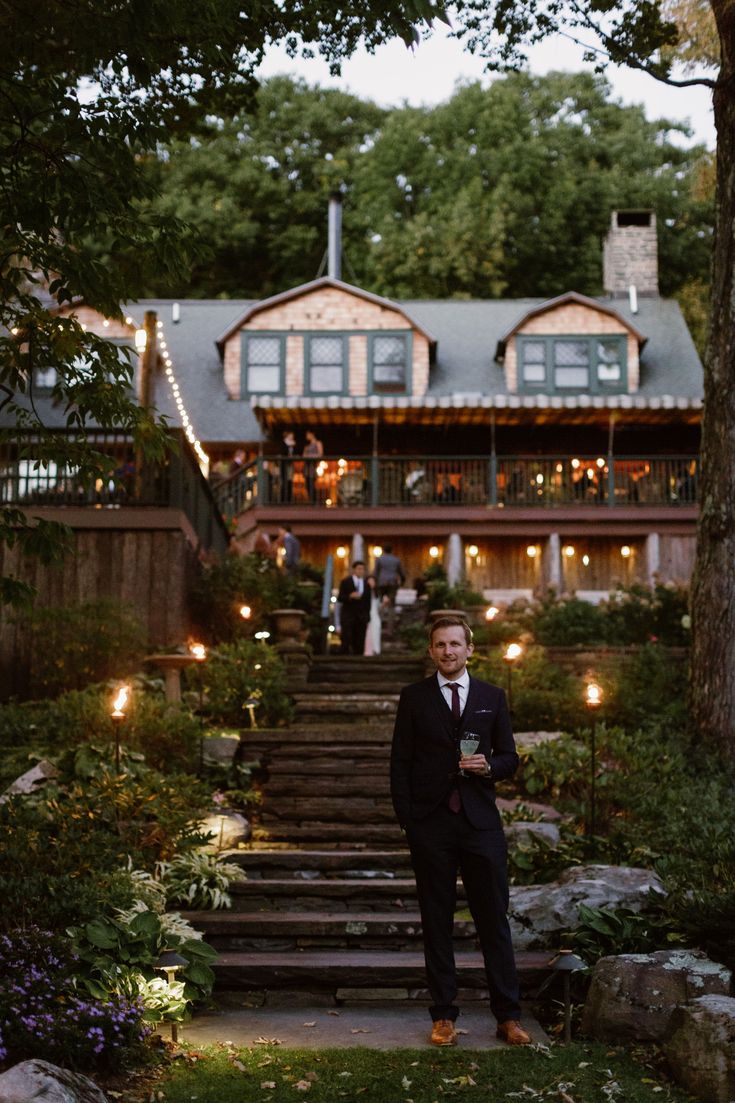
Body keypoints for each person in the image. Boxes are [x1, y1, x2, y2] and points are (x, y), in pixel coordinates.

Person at [390, 615, 531, 1049]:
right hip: (431, 825)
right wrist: (409, 820)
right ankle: (444, 1015)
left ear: (470, 649)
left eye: (455, 644)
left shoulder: (492, 696)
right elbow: (400, 763)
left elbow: (510, 756)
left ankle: (507, 1017)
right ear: (431, 651)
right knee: (436, 921)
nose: (448, 651)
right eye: (440, 645)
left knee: (494, 922)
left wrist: (490, 766)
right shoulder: (413, 698)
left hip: (480, 824)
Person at [337, 560, 371, 655]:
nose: (361, 571)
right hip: (348, 614)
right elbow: (340, 598)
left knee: (360, 638)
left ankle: (359, 657)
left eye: (362, 569)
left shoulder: (366, 584)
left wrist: (367, 616)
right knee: (347, 636)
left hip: (361, 615)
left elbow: (368, 602)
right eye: (359, 569)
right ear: (354, 570)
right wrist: (350, 596)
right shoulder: (345, 582)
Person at [375, 544, 405, 634]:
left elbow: (376, 572)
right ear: (392, 551)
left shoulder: (379, 559)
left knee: (381, 603)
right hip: (392, 583)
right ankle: (390, 629)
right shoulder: (396, 560)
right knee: (391, 606)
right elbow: (401, 573)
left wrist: (376, 584)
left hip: (381, 583)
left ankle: (378, 627)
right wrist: (402, 582)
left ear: (383, 550)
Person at [303, 430, 324, 502]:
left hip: (313, 466)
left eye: (307, 434)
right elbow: (303, 455)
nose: (306, 436)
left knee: (312, 483)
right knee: (307, 484)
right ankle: (311, 501)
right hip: (307, 467)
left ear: (312, 434)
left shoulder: (318, 443)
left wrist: (309, 456)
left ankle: (314, 501)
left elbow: (320, 454)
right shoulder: (307, 446)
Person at [363, 574, 382, 656]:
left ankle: (376, 649)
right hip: (366, 614)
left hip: (375, 614)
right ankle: (367, 650)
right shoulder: (363, 592)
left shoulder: (377, 593)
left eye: (372, 581)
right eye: (369, 581)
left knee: (376, 630)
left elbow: (378, 606)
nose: (371, 583)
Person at [281, 430, 297, 503]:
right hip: (284, 466)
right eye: (291, 435)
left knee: (290, 481)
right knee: (284, 481)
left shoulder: (293, 444)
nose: (292, 436)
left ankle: (289, 499)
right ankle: (284, 499)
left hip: (290, 466)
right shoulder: (283, 443)